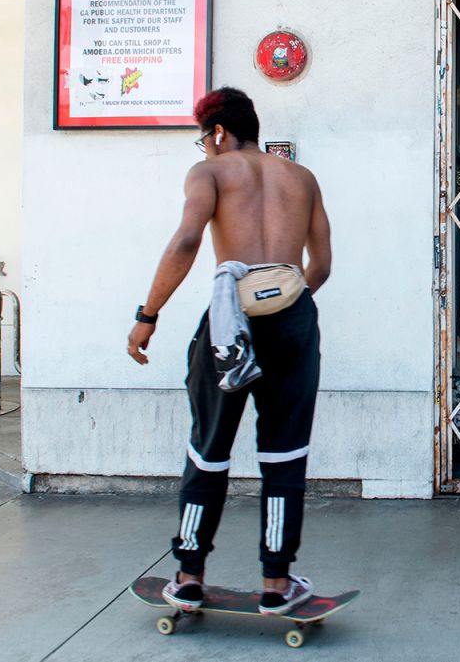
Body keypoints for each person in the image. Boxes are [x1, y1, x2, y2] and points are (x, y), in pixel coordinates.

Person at [127, 86, 332, 615]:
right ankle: (277, 585)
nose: (205, 150)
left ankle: (189, 576)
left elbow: (186, 243)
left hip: (230, 326)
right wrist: (284, 304)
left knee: (209, 448)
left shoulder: (210, 174)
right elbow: (322, 266)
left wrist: (147, 316)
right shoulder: (302, 178)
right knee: (284, 454)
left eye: (204, 140)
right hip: (293, 321)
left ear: (218, 132)